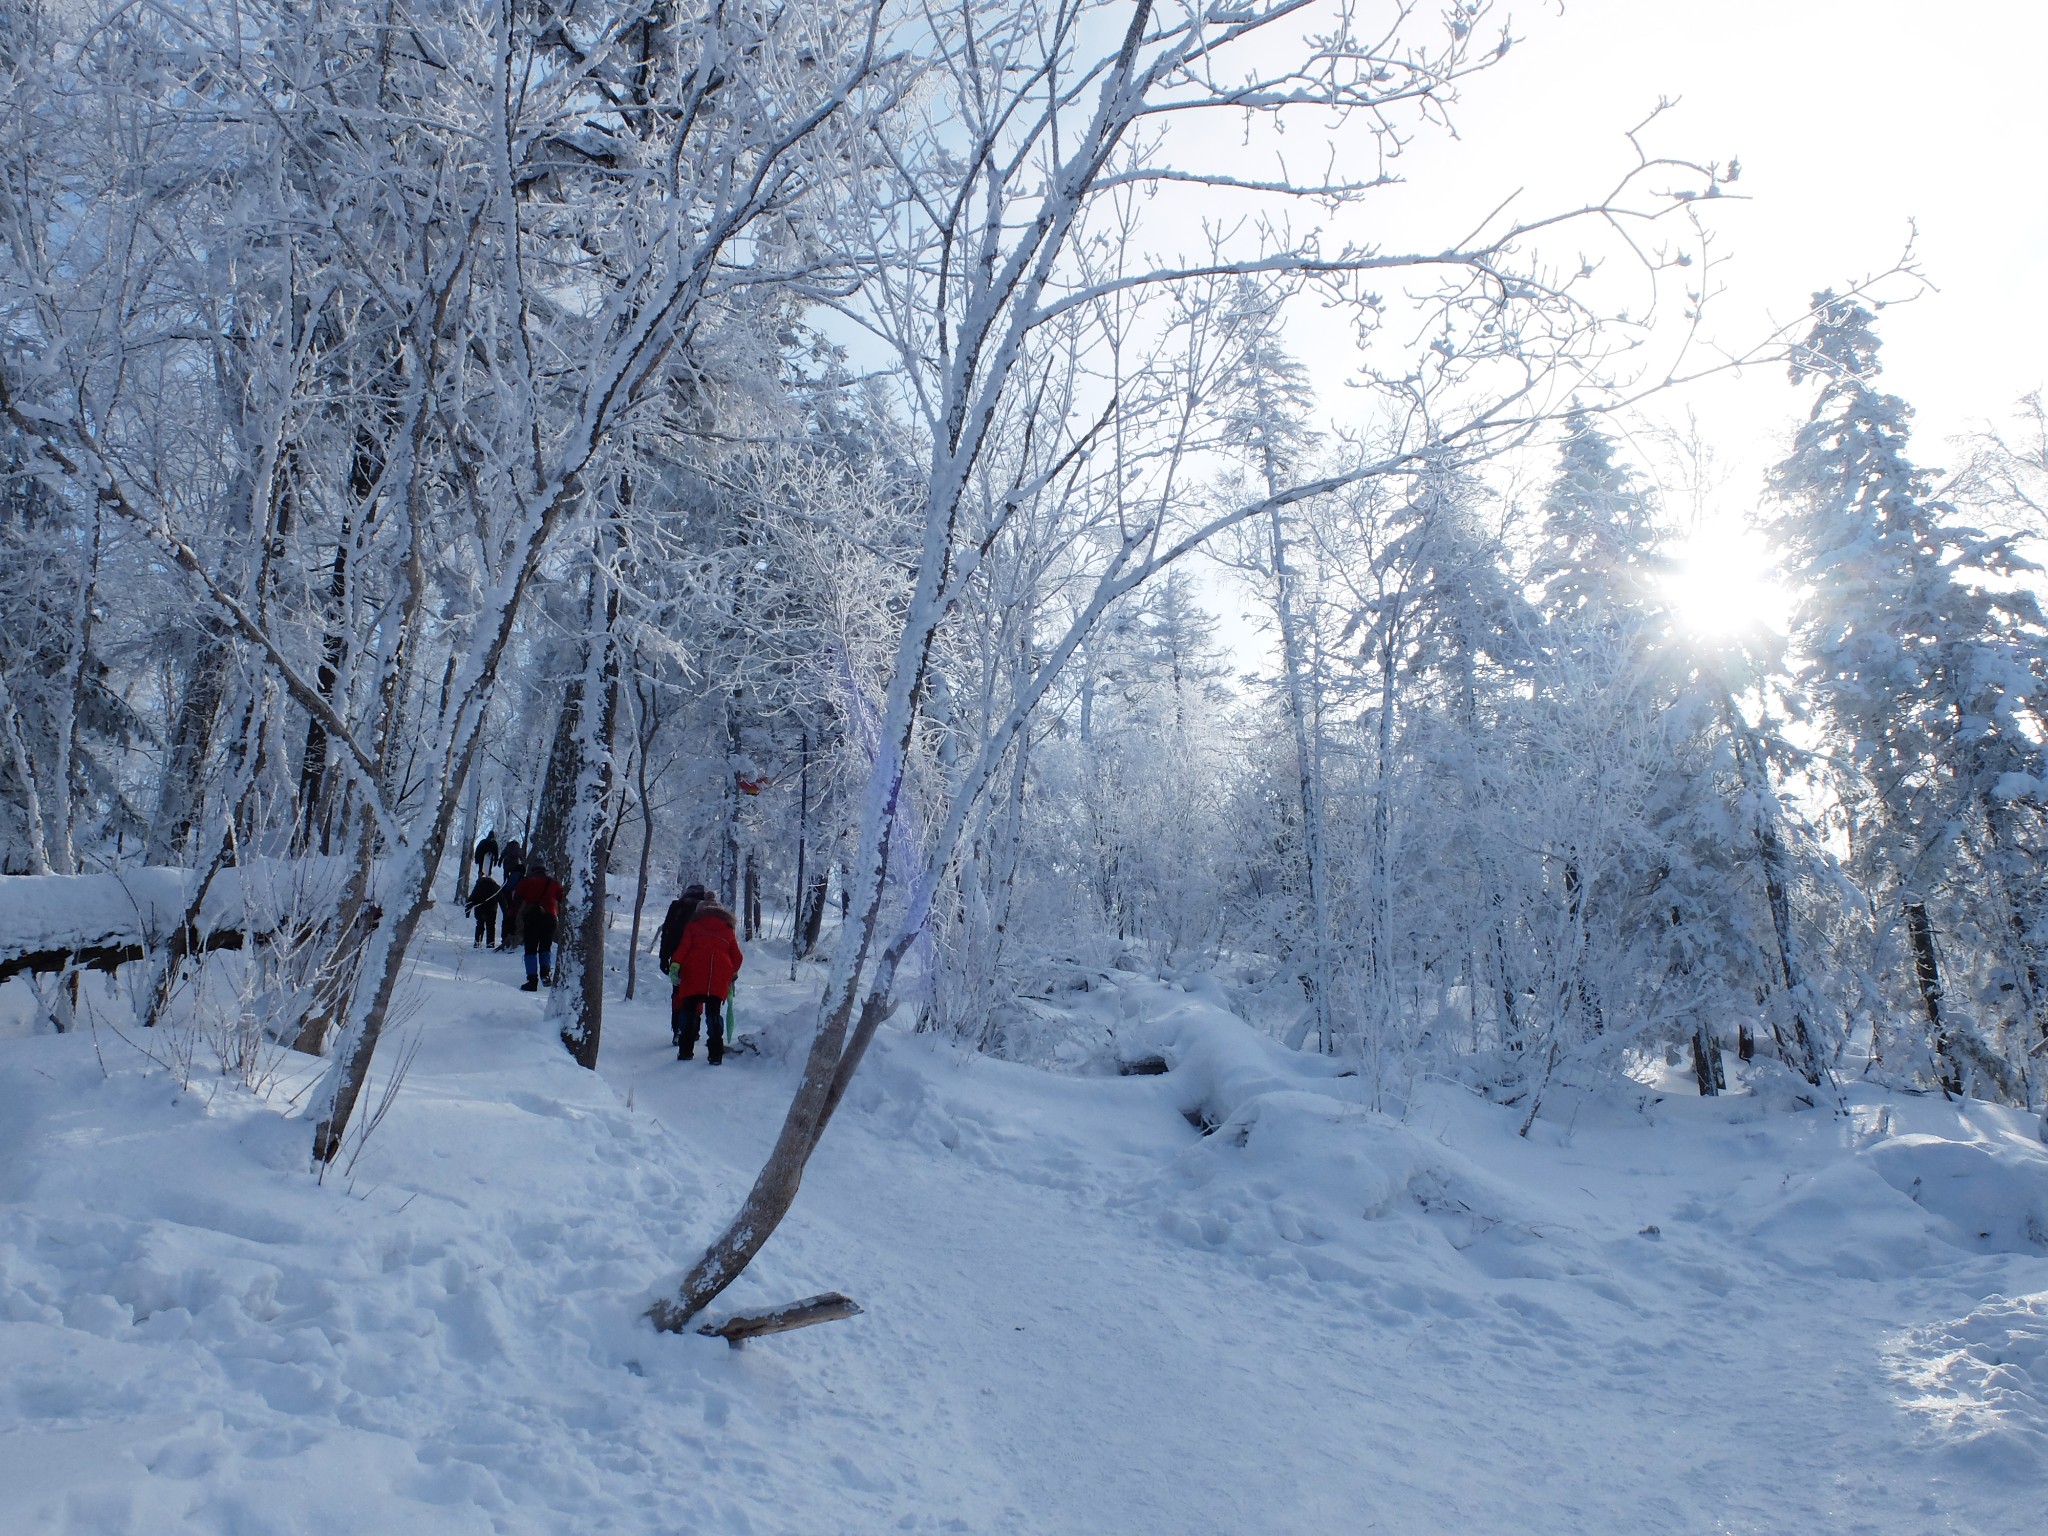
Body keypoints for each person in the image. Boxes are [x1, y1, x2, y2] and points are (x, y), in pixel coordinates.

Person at [667, 895, 743, 1064]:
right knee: (713, 1013)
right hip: (718, 978)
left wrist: (675, 965)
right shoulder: (727, 928)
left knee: (689, 1011)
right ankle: (715, 1054)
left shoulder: (693, 926)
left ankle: (685, 1051)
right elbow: (737, 957)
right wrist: (731, 973)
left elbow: (683, 948)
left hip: (693, 974)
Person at [656, 882, 710, 1043]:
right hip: (700, 959)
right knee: (697, 994)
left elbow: (667, 932)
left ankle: (678, 1029)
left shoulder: (677, 907)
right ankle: (694, 1030)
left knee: (678, 993)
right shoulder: (706, 909)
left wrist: (663, 957)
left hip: (677, 959)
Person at [513, 860, 565, 991]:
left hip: (532, 918)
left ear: (532, 870)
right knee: (545, 947)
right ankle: (545, 973)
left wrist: (510, 919)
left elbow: (516, 902)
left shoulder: (525, 882)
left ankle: (532, 981)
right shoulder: (554, 884)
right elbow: (562, 898)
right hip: (550, 918)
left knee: (530, 949)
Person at [498, 843, 527, 951]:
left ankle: (504, 938)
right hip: (515, 903)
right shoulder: (522, 879)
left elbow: (503, 854)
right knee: (513, 919)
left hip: (507, 867)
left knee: (507, 919)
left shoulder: (508, 847)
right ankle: (512, 938)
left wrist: (499, 861)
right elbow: (521, 856)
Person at [465, 870, 502, 948]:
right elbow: (502, 899)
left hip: (480, 909)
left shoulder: (478, 886)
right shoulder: (495, 887)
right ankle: (490, 944)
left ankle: (477, 943)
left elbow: (471, 898)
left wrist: (467, 911)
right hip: (491, 910)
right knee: (491, 926)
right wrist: (506, 911)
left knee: (479, 925)